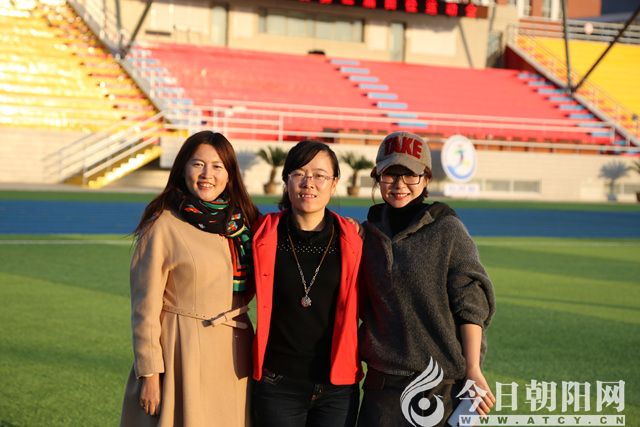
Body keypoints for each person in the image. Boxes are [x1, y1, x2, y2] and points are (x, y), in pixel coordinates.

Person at [120, 130, 259, 427]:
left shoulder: (244, 223)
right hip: (182, 351)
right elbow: (144, 308)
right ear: (183, 169)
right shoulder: (163, 224)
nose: (207, 174)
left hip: (236, 354)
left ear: (230, 175)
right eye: (198, 164)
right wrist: (150, 374)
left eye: (218, 166)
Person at [357, 131, 497, 427]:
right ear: (377, 177)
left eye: (410, 175)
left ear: (426, 178)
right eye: (390, 175)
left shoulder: (448, 230)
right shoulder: (366, 234)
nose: (399, 185)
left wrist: (473, 369)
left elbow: (471, 304)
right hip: (382, 390)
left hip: (440, 390)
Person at [251, 140, 362, 427]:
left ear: (334, 183)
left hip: (337, 388)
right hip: (277, 384)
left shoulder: (354, 238)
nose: (308, 183)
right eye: (299, 173)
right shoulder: (263, 232)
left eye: (320, 175)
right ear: (286, 180)